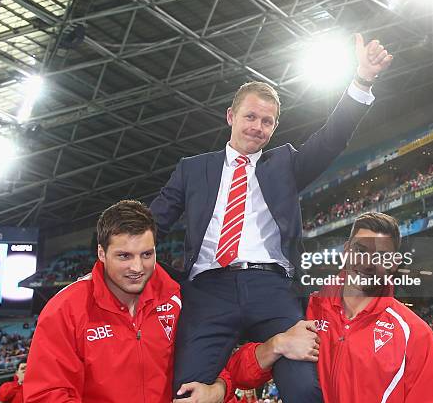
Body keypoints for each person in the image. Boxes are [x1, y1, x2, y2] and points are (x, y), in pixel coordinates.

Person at [150, 33, 393, 401]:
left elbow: (331, 140)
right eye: (250, 117)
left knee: (305, 388)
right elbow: (151, 224)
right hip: (207, 292)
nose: (256, 127)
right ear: (231, 116)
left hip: (273, 290)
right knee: (187, 392)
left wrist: (362, 80)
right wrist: (109, 256)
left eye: (267, 121)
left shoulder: (285, 164)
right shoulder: (192, 169)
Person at [23, 200, 247, 403]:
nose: (138, 268)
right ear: (102, 253)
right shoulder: (65, 310)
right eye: (124, 256)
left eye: (146, 254)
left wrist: (219, 389)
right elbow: (47, 395)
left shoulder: (180, 297)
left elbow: (214, 362)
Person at [225, 212, 433, 402]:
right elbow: (237, 372)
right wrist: (276, 345)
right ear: (346, 251)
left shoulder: (414, 333)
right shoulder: (305, 308)